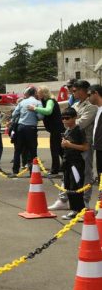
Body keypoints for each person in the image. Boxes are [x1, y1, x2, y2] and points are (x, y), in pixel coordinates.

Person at [49, 80, 97, 210]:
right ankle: (63, 199)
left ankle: (84, 202)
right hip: (69, 144)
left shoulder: (91, 106)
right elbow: (68, 121)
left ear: (83, 90)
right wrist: (70, 119)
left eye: (74, 90)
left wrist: (71, 120)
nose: (72, 92)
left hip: (83, 143)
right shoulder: (75, 105)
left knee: (85, 174)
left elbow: (81, 123)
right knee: (67, 173)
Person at [59, 107, 89, 220]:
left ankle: (80, 210)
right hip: (67, 162)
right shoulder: (67, 131)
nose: (65, 120)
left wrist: (69, 145)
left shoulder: (79, 130)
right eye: (63, 118)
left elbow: (85, 147)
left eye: (67, 118)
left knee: (75, 186)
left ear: (74, 118)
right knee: (68, 186)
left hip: (76, 163)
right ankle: (73, 210)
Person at [28, 86, 63, 175]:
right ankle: (65, 165)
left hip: (56, 129)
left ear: (43, 93)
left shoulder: (50, 101)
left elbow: (48, 111)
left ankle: (55, 169)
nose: (37, 94)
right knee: (59, 149)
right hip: (56, 129)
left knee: (54, 149)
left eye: (39, 92)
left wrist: (35, 108)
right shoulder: (44, 101)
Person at [9, 87, 42, 176]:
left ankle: (15, 170)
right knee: (32, 150)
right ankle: (33, 171)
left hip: (20, 127)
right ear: (35, 93)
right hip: (31, 128)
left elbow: (14, 114)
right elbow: (40, 116)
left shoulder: (22, 102)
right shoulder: (38, 103)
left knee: (18, 149)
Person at [88, 84, 102, 178]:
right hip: (99, 147)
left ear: (96, 93)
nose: (88, 98)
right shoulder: (98, 109)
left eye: (89, 95)